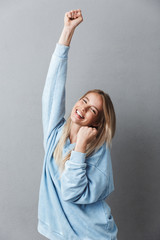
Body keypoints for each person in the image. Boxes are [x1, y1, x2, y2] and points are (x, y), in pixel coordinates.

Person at [37, 9, 118, 240]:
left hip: (93, 236)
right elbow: (52, 90)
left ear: (99, 123)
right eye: (84, 100)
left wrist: (80, 147)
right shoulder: (56, 135)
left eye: (92, 109)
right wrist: (68, 31)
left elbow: (71, 192)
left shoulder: (98, 153)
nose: (82, 108)